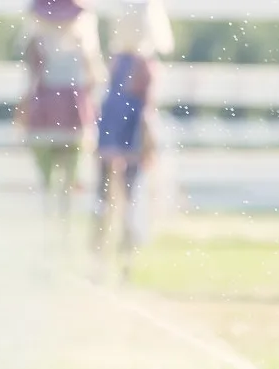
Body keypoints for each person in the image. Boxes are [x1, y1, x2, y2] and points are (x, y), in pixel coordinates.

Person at [91, 0, 174, 282]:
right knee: (127, 198)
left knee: (108, 197)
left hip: (117, 132)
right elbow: (147, 108)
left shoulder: (120, 63)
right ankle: (121, 261)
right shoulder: (143, 65)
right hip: (131, 134)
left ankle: (105, 260)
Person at [17, 0, 105, 225]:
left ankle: (54, 221)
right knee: (67, 174)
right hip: (70, 112)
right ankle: (61, 221)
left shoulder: (39, 43)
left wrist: (23, 111)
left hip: (49, 113)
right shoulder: (80, 42)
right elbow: (94, 78)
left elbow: (30, 81)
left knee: (54, 175)